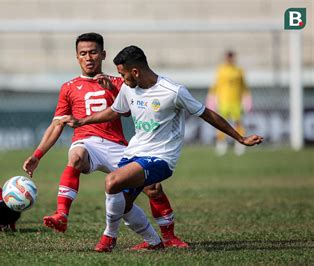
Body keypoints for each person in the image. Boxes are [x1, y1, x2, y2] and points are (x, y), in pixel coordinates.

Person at [63, 45, 263, 252]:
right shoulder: (128, 88)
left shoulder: (173, 91)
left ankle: (108, 239)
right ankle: (155, 242)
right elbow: (115, 111)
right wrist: (83, 121)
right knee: (124, 204)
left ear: (135, 72)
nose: (121, 79)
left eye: (123, 74)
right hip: (134, 152)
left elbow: (206, 113)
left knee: (112, 181)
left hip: (161, 157)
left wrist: (240, 138)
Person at [22, 33, 188, 248]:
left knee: (152, 188)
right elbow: (57, 124)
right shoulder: (69, 87)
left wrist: (112, 88)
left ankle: (167, 237)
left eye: (93, 52)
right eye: (83, 53)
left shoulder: (121, 80)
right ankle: (62, 214)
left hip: (116, 144)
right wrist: (37, 155)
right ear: (77, 57)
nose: (88, 57)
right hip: (86, 142)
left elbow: (130, 111)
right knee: (76, 156)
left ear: (103, 54)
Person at [206, 50, 252, 156]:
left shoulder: (239, 71)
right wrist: (211, 99)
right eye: (228, 57)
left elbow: (244, 86)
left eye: (231, 57)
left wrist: (247, 98)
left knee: (238, 123)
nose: (230, 59)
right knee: (221, 123)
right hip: (223, 102)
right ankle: (221, 143)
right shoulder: (221, 70)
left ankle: (240, 143)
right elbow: (215, 86)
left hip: (236, 102)